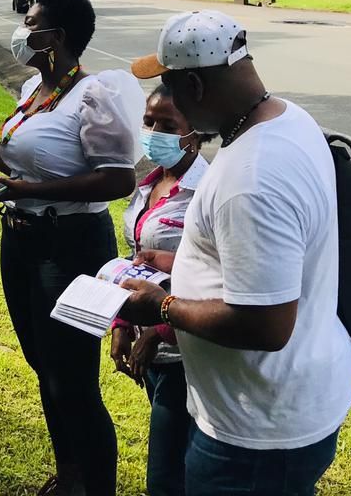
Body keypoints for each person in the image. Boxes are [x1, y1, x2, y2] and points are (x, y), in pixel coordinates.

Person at [116, 11, 351, 496]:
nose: (172, 103)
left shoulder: (252, 177)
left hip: (257, 434)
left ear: (195, 86)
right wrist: (181, 265)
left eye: (174, 89)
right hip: (277, 407)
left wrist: (161, 307)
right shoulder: (287, 118)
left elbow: (266, 325)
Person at [0, 0, 142, 496]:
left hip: (71, 248)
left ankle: (96, 486)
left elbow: (117, 179)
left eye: (31, 24)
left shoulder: (93, 95)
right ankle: (69, 477)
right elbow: (40, 160)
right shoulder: (33, 89)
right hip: (22, 241)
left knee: (74, 381)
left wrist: (31, 191)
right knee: (45, 367)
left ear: (56, 37)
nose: (21, 31)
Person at [109, 83, 209, 496]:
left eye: (168, 125)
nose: (153, 133)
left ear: (195, 132)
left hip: (185, 352)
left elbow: (211, 276)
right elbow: (134, 260)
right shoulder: (149, 184)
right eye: (149, 122)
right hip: (150, 349)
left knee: (166, 478)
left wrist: (157, 331)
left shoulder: (206, 192)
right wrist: (120, 322)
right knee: (178, 465)